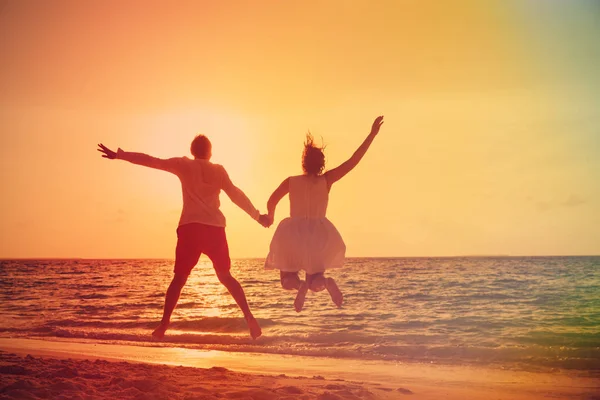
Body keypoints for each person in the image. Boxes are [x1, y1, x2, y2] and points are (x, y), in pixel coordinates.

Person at [97, 135, 269, 340]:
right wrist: (257, 216)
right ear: (210, 151)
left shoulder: (183, 164)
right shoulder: (219, 170)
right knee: (226, 277)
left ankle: (163, 325)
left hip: (191, 229)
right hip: (214, 229)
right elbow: (236, 195)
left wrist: (121, 155)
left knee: (179, 279)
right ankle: (249, 317)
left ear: (192, 150)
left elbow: (152, 161)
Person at [264, 116, 384, 312]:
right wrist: (371, 135)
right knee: (315, 281)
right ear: (321, 164)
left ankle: (298, 286)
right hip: (318, 235)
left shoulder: (291, 181)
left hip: (291, 234)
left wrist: (270, 217)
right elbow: (353, 161)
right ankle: (325, 283)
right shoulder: (327, 180)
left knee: (287, 279)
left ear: (304, 162)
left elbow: (272, 200)